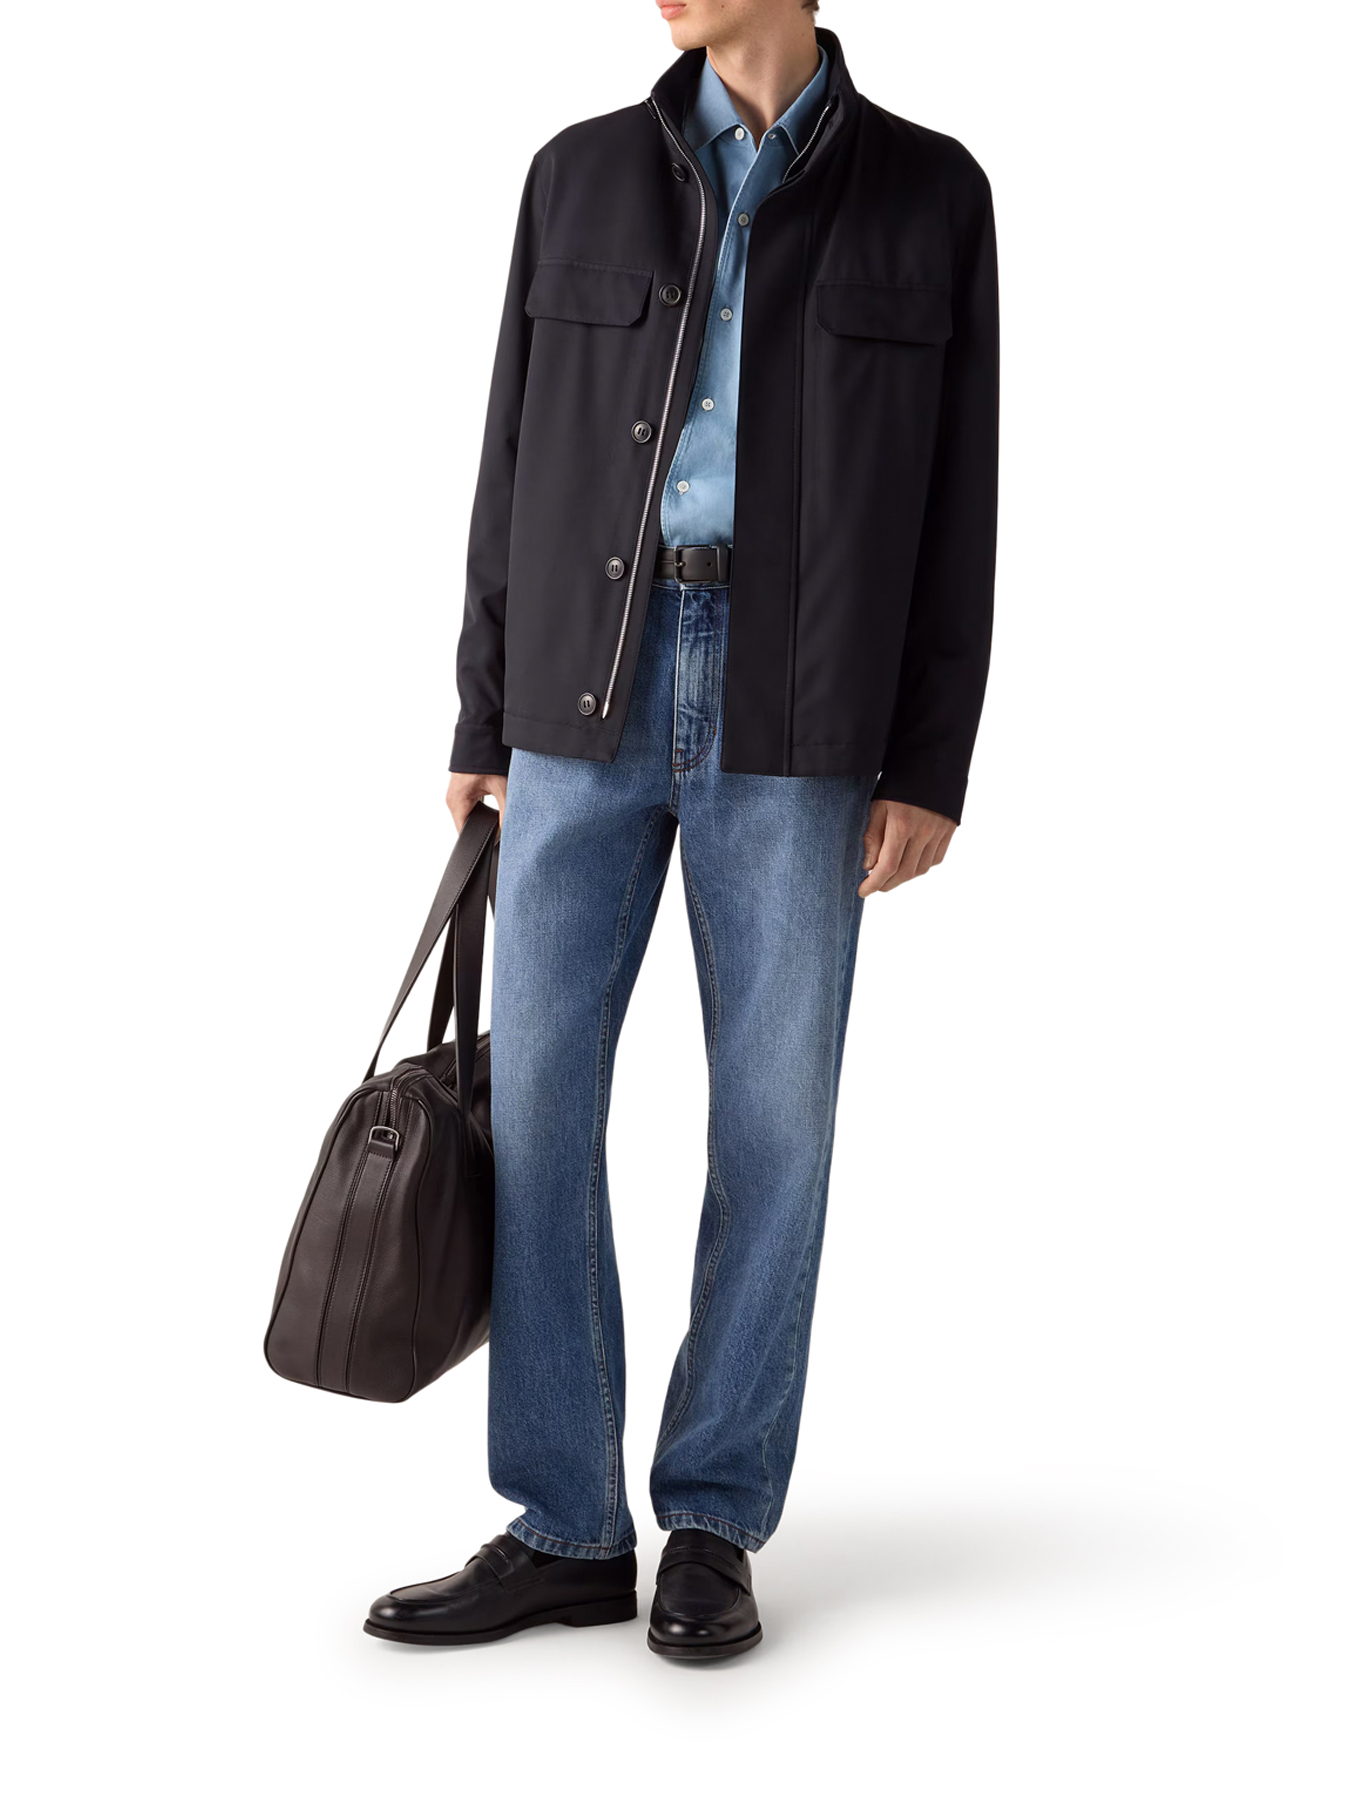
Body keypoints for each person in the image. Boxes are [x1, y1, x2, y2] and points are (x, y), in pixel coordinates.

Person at [364, 0, 997, 1659]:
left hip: (803, 706)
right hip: (580, 693)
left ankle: (713, 1517)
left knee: (774, 1128)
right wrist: (480, 710)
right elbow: (510, 447)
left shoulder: (930, 192)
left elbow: (959, 497)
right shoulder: (576, 174)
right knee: (538, 1107)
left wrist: (927, 758)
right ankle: (565, 1526)